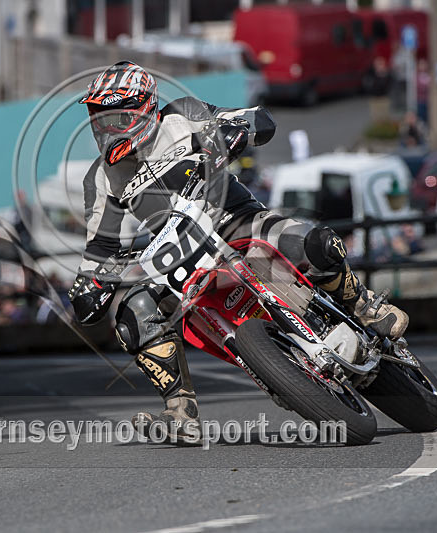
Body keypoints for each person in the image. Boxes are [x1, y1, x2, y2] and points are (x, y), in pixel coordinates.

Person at [67, 62, 409, 442]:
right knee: (134, 313)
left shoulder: (182, 114)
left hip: (237, 222)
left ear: (145, 107)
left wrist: (239, 129)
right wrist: (90, 284)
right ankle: (180, 410)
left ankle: (364, 305)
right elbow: (100, 245)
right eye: (99, 119)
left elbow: (257, 118)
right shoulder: (100, 177)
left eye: (116, 118)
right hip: (178, 258)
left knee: (313, 243)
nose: (107, 129)